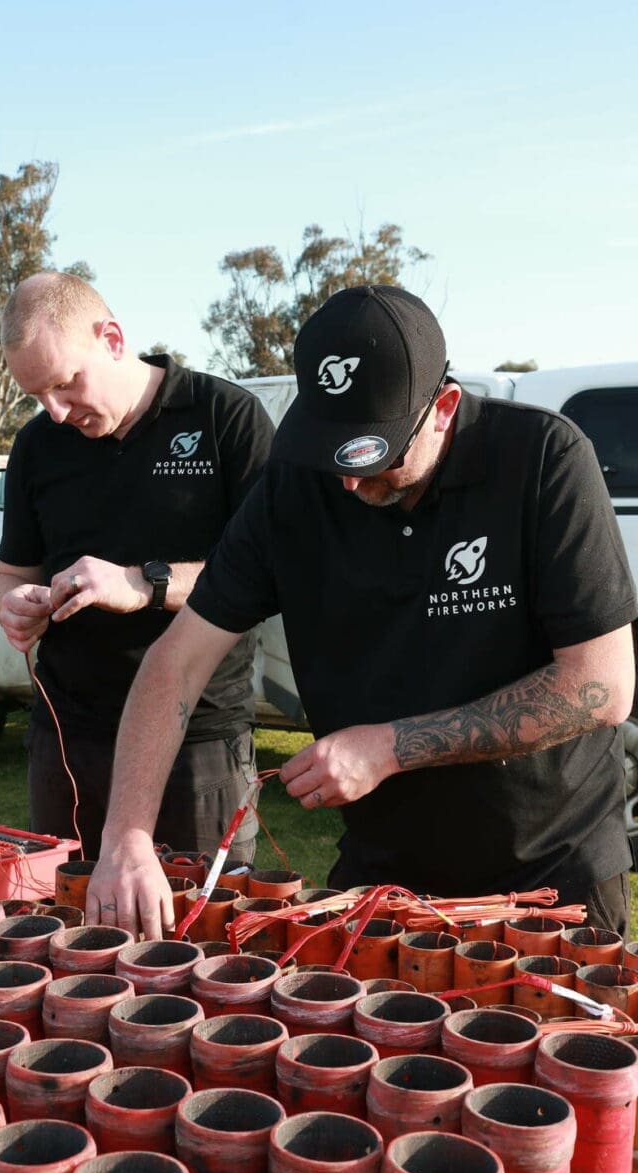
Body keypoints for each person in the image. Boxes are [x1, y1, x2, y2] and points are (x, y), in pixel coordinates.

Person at [85, 283, 637, 939]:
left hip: (550, 871)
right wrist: (126, 837)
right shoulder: (293, 489)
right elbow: (176, 664)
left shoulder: (542, 459)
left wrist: (393, 747)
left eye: (376, 455)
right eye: (330, 449)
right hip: (386, 869)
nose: (348, 480)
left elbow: (600, 685)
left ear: (444, 409)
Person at [0, 271, 274, 861]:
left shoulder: (225, 420)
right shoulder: (38, 445)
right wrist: (13, 608)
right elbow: (11, 574)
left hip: (197, 738)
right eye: (37, 396)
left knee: (199, 936)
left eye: (66, 384)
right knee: (66, 929)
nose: (57, 412)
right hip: (68, 737)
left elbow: (270, 577)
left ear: (112, 339)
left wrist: (141, 583)